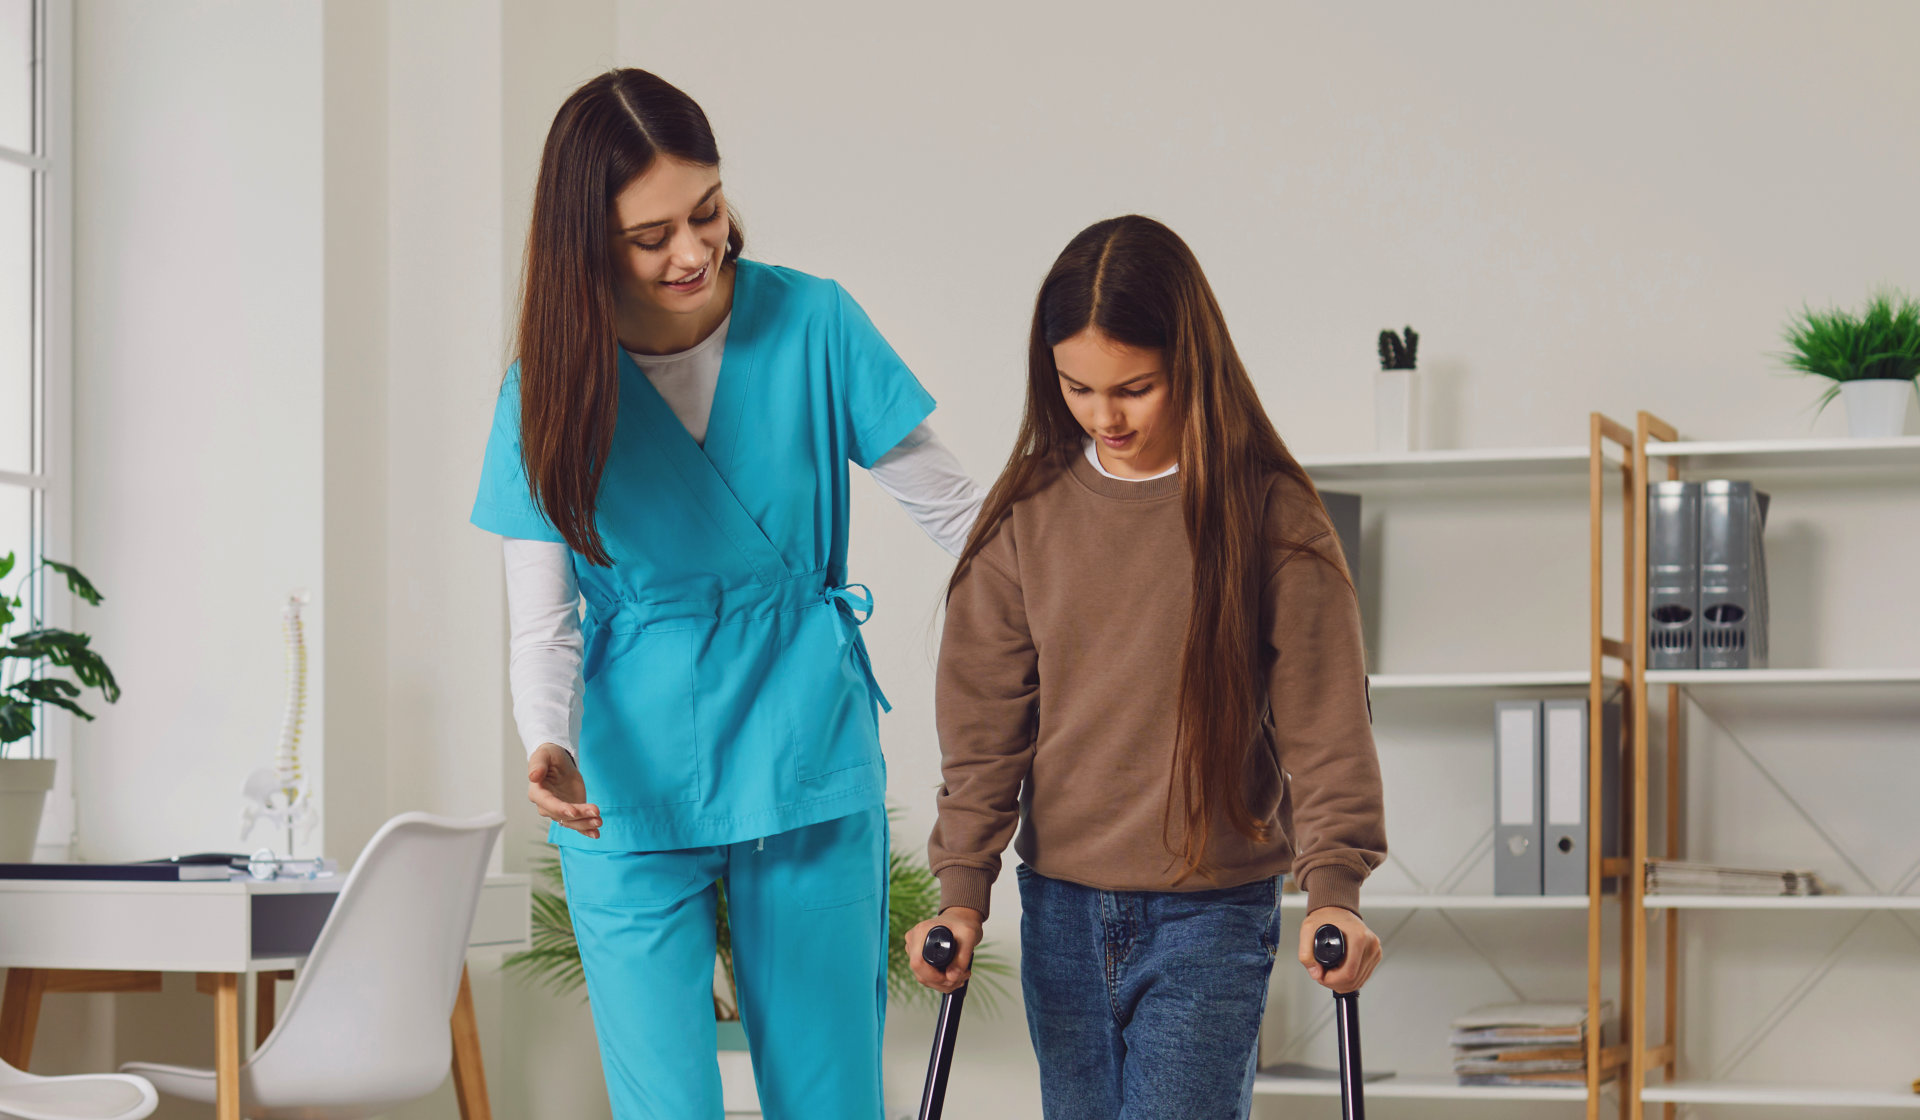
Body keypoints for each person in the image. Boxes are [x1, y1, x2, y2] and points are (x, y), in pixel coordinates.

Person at [471, 68, 983, 1119]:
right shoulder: (551, 388)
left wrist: (1108, 594)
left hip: (802, 749)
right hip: (625, 779)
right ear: (586, 244)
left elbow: (964, 515)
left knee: (829, 1098)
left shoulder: (815, 325)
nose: (694, 251)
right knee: (666, 1106)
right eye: (650, 234)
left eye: (706, 211)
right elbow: (543, 614)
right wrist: (546, 739)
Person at [907, 214, 1388, 1119]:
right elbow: (984, 735)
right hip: (1062, 916)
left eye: (1134, 388)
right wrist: (961, 894)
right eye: (1077, 388)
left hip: (1210, 915)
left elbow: (1326, 724)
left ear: (1191, 364)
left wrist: (1336, 889)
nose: (1104, 416)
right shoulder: (1027, 520)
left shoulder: (1271, 516)